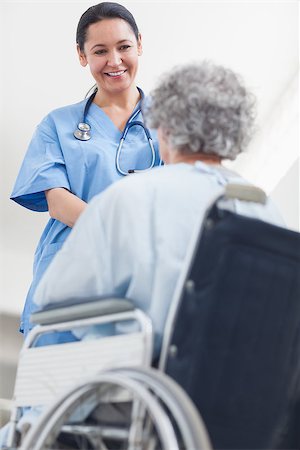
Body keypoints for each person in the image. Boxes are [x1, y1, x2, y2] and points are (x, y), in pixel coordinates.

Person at [33, 60, 284, 356]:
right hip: (232, 385)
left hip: (141, 385)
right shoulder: (264, 208)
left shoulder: (131, 196)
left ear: (163, 129)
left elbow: (54, 299)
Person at [10, 2, 161, 339]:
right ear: (82, 56)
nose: (115, 61)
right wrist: (120, 231)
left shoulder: (169, 126)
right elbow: (58, 203)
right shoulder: (58, 125)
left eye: (123, 47)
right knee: (51, 385)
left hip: (137, 278)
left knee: (127, 383)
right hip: (66, 276)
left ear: (139, 44)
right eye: (100, 51)